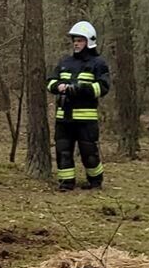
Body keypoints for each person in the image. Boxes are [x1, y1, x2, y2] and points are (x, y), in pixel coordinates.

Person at [47, 21, 110, 191]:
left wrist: (81, 88)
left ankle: (95, 181)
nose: (76, 43)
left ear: (89, 41)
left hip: (86, 118)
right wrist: (57, 86)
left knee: (89, 153)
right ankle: (66, 183)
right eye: (75, 40)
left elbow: (103, 87)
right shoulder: (65, 62)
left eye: (80, 40)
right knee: (63, 152)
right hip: (64, 117)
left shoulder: (98, 63)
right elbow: (50, 80)